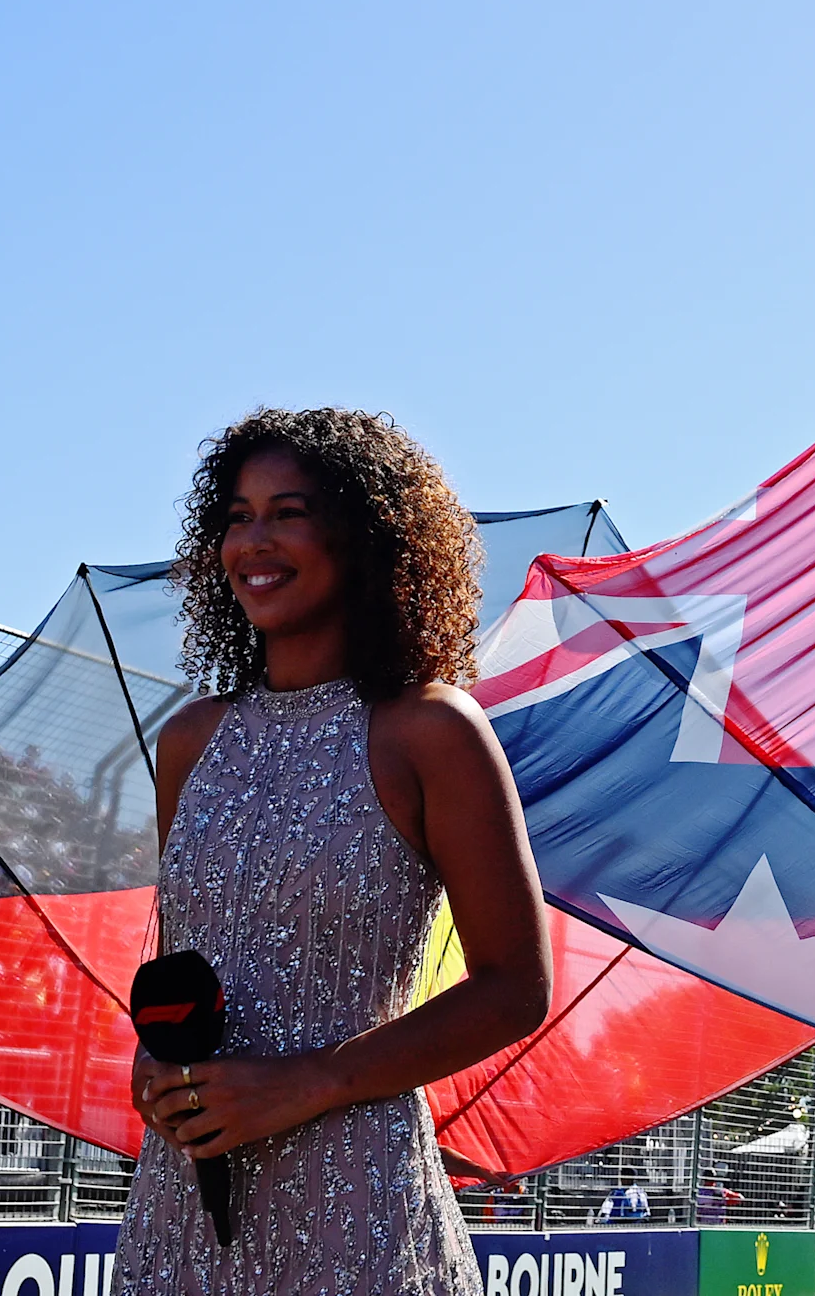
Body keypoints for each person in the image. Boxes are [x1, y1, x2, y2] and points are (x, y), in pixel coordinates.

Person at [118, 410, 556, 1296]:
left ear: (365, 536)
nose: (255, 540)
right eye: (237, 517)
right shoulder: (189, 742)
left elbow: (517, 986)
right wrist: (155, 1070)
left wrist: (310, 1082)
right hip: (183, 1202)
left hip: (356, 1201)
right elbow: (187, 965)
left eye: (289, 511)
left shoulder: (430, 730)